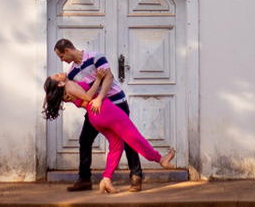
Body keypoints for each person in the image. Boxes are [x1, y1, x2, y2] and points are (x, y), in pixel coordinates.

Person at [42, 69, 175, 193]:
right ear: (59, 84)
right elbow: (88, 97)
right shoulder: (69, 85)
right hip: (105, 110)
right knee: (132, 135)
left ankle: (106, 179)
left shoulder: (65, 94)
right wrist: (99, 79)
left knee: (117, 146)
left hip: (95, 117)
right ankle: (160, 159)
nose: (59, 73)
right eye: (56, 76)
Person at [53, 38, 145, 192]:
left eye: (61, 56)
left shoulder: (96, 57)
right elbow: (82, 95)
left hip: (116, 102)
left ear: (67, 50)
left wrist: (100, 98)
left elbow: (108, 78)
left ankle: (136, 176)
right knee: (85, 139)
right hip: (98, 110)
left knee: (128, 138)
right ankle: (84, 179)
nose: (62, 60)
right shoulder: (72, 73)